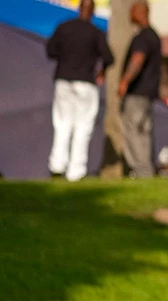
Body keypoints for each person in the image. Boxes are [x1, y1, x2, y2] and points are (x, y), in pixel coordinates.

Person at [46, 0, 114, 182]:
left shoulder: (64, 28)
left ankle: (57, 166)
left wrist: (68, 55)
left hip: (64, 80)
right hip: (86, 82)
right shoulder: (96, 33)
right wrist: (101, 71)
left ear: (79, 9)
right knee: (82, 127)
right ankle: (76, 171)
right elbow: (109, 57)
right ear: (92, 12)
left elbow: (50, 51)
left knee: (62, 124)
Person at [118, 0, 161, 178]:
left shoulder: (142, 38)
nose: (129, 15)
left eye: (132, 11)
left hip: (137, 93)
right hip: (149, 94)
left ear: (140, 13)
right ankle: (146, 170)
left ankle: (140, 169)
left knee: (133, 132)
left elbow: (137, 59)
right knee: (144, 133)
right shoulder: (154, 36)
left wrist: (125, 80)